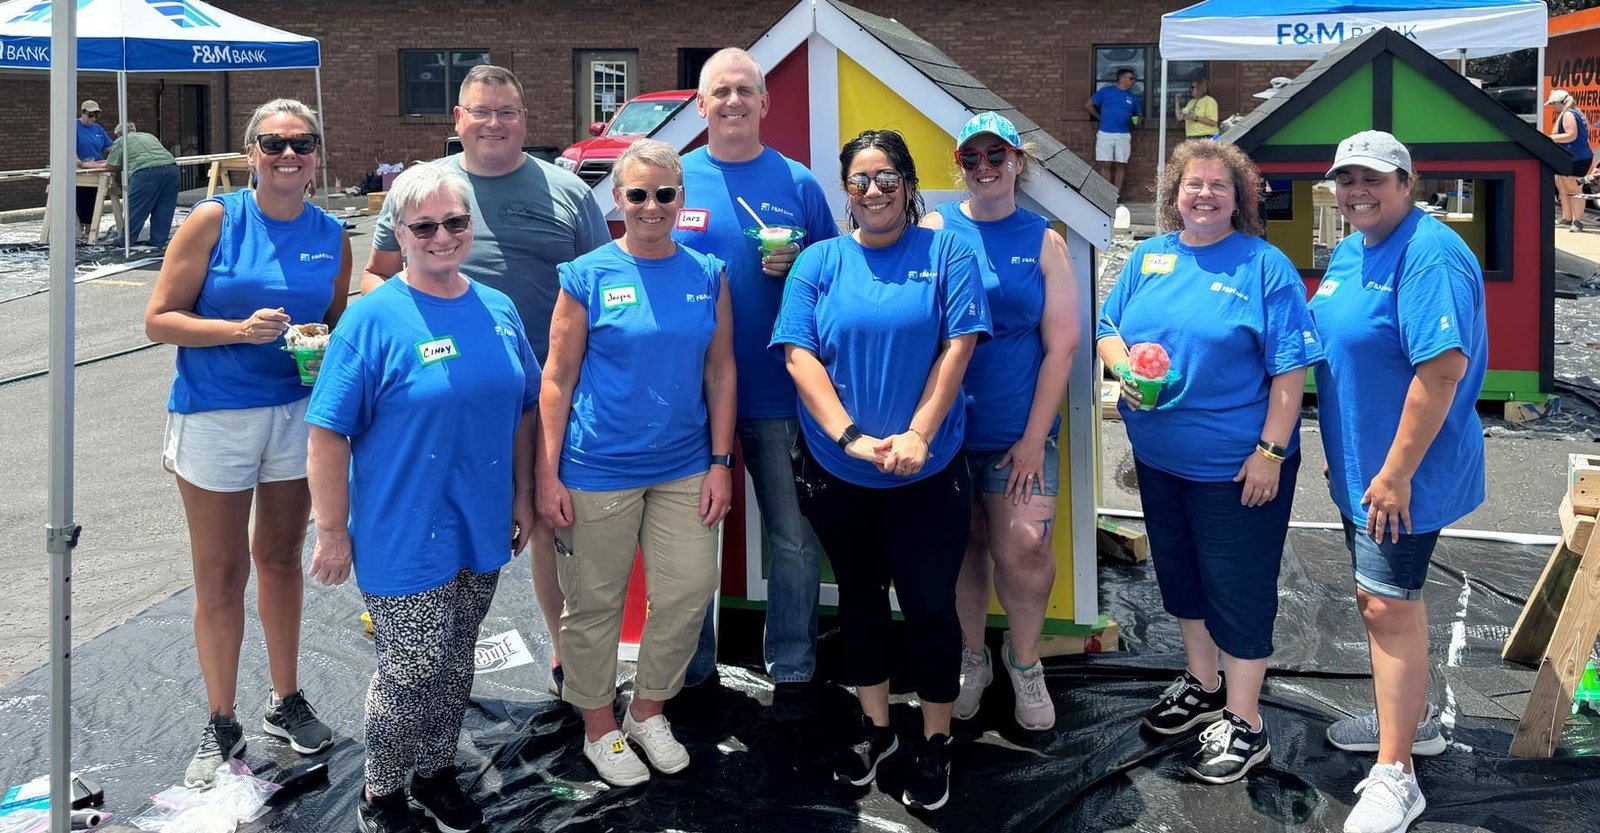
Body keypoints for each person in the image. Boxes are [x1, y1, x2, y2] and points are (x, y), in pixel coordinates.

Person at [305, 163, 539, 833]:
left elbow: (525, 408)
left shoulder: (497, 308)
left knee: (458, 651)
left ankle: (437, 769)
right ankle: (381, 792)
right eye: (425, 226)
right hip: (401, 528)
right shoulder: (372, 319)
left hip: (479, 520)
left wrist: (522, 494)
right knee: (411, 668)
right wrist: (331, 532)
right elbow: (326, 433)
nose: (442, 236)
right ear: (399, 234)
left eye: (455, 222)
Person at [361, 64, 609, 695]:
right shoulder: (420, 193)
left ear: (525, 120)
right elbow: (374, 280)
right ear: (458, 119)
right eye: (481, 110)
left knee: (549, 524)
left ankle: (564, 657)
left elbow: (600, 291)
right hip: (443, 402)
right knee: (435, 514)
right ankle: (419, 664)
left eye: (507, 111)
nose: (494, 122)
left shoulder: (567, 194)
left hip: (542, 400)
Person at [772, 129, 991, 810]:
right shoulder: (819, 261)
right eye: (861, 179)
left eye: (887, 177)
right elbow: (799, 357)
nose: (874, 191)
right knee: (861, 602)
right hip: (841, 472)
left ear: (909, 183)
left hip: (929, 472)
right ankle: (875, 727)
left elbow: (958, 347)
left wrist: (920, 434)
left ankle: (934, 739)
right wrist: (853, 439)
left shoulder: (947, 250)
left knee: (930, 606)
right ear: (846, 190)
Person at [1094, 139, 1321, 785]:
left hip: (1236, 467)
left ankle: (1245, 721)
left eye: (1218, 186)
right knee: (1182, 578)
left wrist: (1270, 452)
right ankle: (1201, 681)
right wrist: (1122, 364)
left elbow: (1289, 371)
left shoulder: (1263, 266)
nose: (1203, 195)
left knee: (1238, 588)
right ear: (1175, 194)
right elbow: (1109, 325)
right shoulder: (1149, 255)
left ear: (1239, 199)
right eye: (1192, 184)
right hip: (1159, 461)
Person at [144, 98, 349, 789]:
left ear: (317, 155)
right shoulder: (215, 218)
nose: (289, 155)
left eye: (303, 143)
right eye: (274, 143)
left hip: (295, 416)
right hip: (215, 414)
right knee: (222, 574)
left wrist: (324, 350)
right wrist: (236, 331)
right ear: (251, 151)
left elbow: (338, 323)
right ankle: (220, 716)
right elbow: (158, 318)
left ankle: (285, 699)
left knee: (282, 560)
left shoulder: (332, 232)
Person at [537, 139, 736, 787]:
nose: (652, 206)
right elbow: (558, 379)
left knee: (684, 594)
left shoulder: (707, 274)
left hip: (684, 466)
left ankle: (648, 708)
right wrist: (547, 472)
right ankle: (599, 725)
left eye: (665, 194)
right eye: (638, 194)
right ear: (618, 199)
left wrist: (721, 461)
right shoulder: (589, 273)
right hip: (596, 467)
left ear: (682, 198)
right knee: (594, 603)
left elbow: (721, 368)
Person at [1311, 131, 1486, 833]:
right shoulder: (1352, 247)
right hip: (1366, 465)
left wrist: (1392, 471)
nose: (1357, 191)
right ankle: (1409, 725)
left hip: (1403, 473)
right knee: (1380, 596)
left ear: (1406, 181)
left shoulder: (1429, 252)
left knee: (1386, 604)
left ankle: (1397, 774)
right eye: (1346, 179)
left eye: (1372, 179)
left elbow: (1440, 370)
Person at [670, 47, 838, 719]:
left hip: (775, 391)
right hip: (687, 397)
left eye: (746, 90)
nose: (733, 100)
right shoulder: (672, 180)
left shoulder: (799, 184)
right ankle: (691, 667)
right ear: (701, 105)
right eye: (721, 91)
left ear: (765, 103)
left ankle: (793, 667)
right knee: (686, 538)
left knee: (793, 538)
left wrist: (799, 270)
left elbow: (835, 283)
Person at [923, 112, 1079, 732]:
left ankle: (1024, 661)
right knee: (963, 547)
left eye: (997, 155)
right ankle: (972, 660)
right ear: (958, 165)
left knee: (1024, 543)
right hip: (946, 433)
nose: (985, 167)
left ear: (1019, 162)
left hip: (1021, 432)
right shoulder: (934, 230)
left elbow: (1063, 346)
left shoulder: (1046, 240)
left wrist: (1033, 440)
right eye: (972, 158)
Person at [107, 120, 180, 249]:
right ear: (134, 130)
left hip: (145, 172)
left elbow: (111, 166)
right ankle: (158, 241)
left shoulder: (121, 141)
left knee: (136, 208)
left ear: (118, 134)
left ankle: (126, 241)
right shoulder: (149, 136)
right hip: (171, 168)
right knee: (164, 207)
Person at [1085, 69, 1141, 201]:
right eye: (1131, 78)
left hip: (1123, 134)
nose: (1133, 81)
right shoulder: (1106, 92)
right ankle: (1106, 194)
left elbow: (1139, 114)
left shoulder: (1132, 97)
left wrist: (1137, 120)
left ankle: (1116, 195)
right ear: (1123, 78)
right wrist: (1099, 117)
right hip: (1105, 133)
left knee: (1121, 164)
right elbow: (1088, 105)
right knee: (1105, 163)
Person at [1545, 89, 1593, 232]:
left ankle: (1577, 221)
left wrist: (1551, 138)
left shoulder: (1568, 114)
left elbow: (1571, 135)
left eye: (1554, 104)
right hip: (1568, 156)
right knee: (1562, 186)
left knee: (1573, 189)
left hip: (1577, 158)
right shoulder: (1575, 112)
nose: (1553, 107)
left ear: (1561, 103)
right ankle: (1566, 217)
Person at [75, 99, 114, 242]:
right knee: (82, 198)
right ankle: (84, 228)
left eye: (95, 115)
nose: (92, 118)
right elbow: (67, 146)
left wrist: (121, 150)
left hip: (96, 166)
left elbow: (109, 146)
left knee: (94, 198)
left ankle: (91, 228)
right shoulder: (74, 126)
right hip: (81, 169)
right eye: (90, 115)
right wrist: (77, 161)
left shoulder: (98, 129)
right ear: (83, 112)